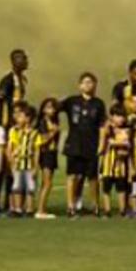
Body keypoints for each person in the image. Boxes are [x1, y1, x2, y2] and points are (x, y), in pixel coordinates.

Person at [61, 73, 104, 216]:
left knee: (93, 177)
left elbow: (102, 126)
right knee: (72, 176)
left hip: (92, 144)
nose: (88, 85)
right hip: (74, 144)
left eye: (91, 82)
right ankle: (71, 206)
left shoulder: (98, 103)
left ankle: (95, 206)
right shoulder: (71, 101)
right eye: (85, 82)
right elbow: (53, 108)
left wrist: (102, 144)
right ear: (79, 85)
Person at [7, 102, 41, 217]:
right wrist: (12, 161)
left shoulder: (35, 133)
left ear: (28, 118)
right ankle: (17, 209)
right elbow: (12, 147)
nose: (18, 118)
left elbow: (37, 150)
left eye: (21, 116)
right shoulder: (16, 131)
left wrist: (36, 167)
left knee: (30, 187)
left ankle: (30, 209)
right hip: (18, 163)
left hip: (29, 164)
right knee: (17, 186)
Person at [34, 96, 61, 219]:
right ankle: (40, 210)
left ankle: (42, 208)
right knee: (47, 183)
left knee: (47, 183)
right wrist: (53, 133)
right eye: (49, 107)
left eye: (53, 107)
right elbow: (42, 140)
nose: (52, 110)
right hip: (45, 153)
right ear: (43, 109)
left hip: (52, 153)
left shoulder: (54, 122)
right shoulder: (43, 122)